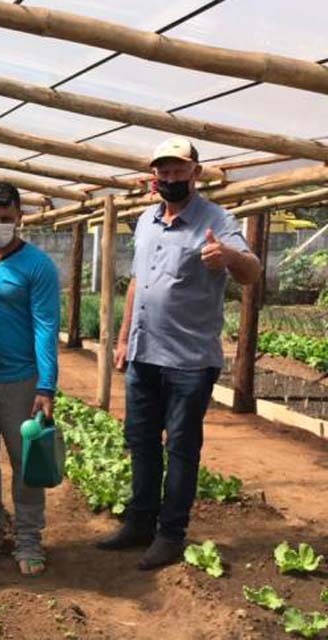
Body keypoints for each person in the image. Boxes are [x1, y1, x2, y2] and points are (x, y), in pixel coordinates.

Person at [97, 137, 261, 569]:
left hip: (189, 361)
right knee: (141, 441)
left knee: (182, 449)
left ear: (196, 172)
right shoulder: (147, 220)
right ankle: (139, 523)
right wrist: (123, 339)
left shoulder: (217, 219)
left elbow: (251, 272)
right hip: (144, 354)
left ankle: (171, 533)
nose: (169, 178)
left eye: (177, 169)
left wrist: (226, 255)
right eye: (163, 171)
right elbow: (136, 282)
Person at [0, 182, 59, 576]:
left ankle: (28, 538)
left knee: (26, 463)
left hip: (20, 381)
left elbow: (45, 326)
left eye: (5, 219)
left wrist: (45, 385)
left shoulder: (37, 266)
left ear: (20, 218)